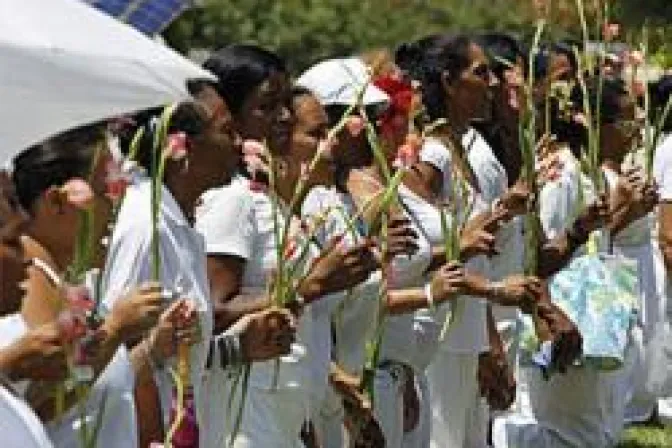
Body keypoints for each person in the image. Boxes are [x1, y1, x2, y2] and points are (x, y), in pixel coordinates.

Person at [104, 98, 297, 448]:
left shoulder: (179, 224)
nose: (239, 143)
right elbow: (121, 357)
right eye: (225, 132)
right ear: (183, 148)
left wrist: (238, 347)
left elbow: (172, 354)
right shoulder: (147, 226)